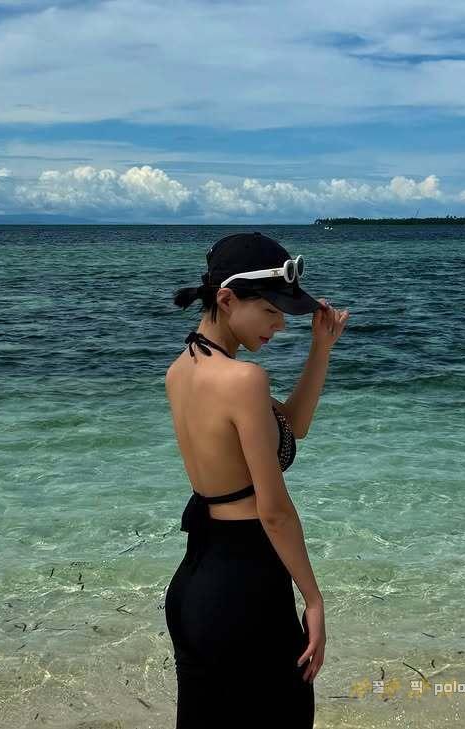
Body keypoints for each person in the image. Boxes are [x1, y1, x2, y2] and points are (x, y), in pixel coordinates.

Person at [164, 231, 349, 729]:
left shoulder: (181, 371)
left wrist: (321, 348)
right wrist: (314, 598)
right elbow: (274, 511)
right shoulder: (244, 381)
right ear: (227, 300)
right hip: (246, 590)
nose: (279, 324)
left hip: (195, 587)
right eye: (270, 310)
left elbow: (292, 426)